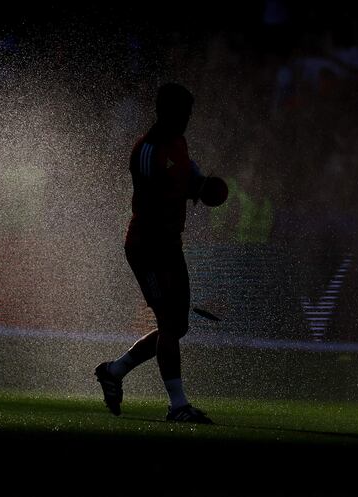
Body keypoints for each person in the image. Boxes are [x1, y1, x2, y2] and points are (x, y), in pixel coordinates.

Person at [95, 82, 223, 423]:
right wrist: (194, 189)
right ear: (167, 111)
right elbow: (155, 198)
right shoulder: (148, 149)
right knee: (168, 323)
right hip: (148, 247)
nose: (187, 119)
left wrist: (204, 186)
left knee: (177, 326)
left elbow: (190, 176)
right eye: (184, 113)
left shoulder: (177, 144)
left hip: (169, 245)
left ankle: (114, 371)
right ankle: (177, 406)